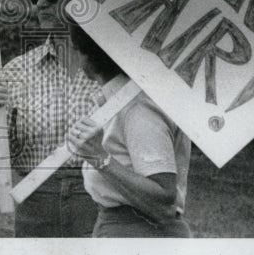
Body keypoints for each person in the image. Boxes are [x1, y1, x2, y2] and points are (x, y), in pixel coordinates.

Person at [0, 0, 101, 236]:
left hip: (102, 208)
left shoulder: (119, 72)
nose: (40, 3)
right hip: (35, 212)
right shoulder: (15, 72)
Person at [66, 20, 192, 238]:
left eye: (77, 50)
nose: (75, 58)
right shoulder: (117, 100)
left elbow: (163, 202)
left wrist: (99, 158)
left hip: (142, 236)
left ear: (91, 54)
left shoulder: (138, 106)